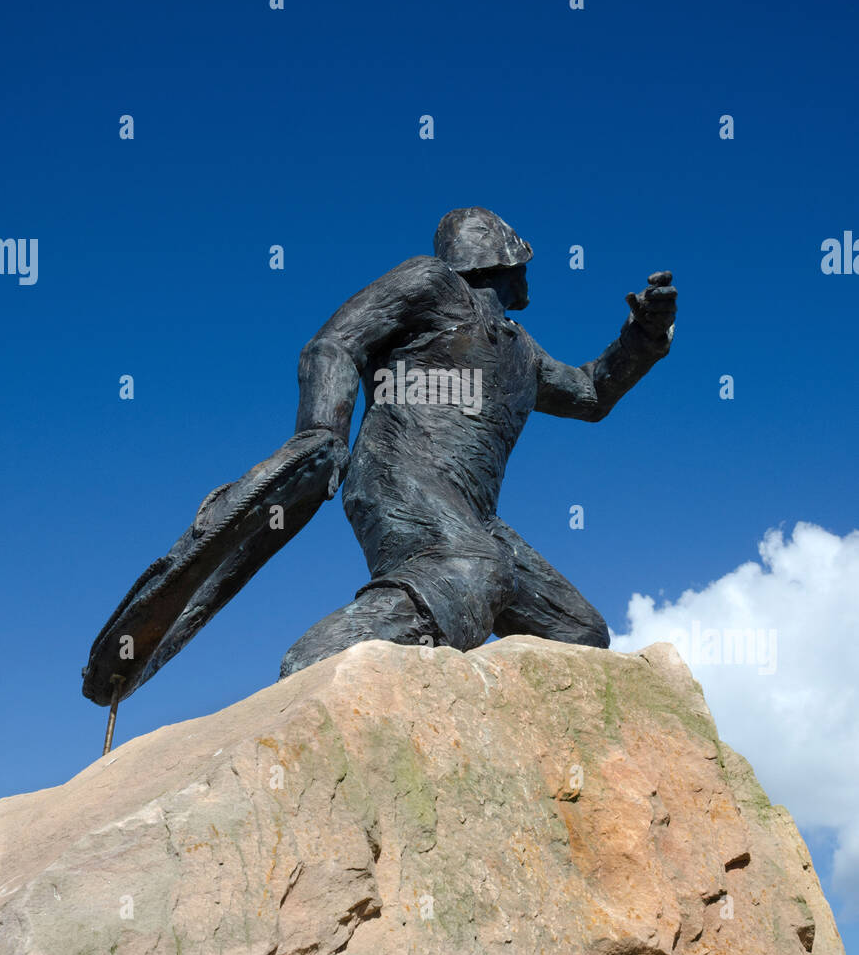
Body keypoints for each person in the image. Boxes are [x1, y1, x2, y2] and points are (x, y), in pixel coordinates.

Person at [280, 207, 676, 676]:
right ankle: (314, 666)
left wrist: (644, 335)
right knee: (473, 566)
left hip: (473, 515)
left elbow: (590, 394)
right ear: (503, 257)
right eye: (523, 260)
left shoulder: (521, 350)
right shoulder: (431, 283)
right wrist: (322, 433)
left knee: (578, 633)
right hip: (397, 475)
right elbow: (334, 345)